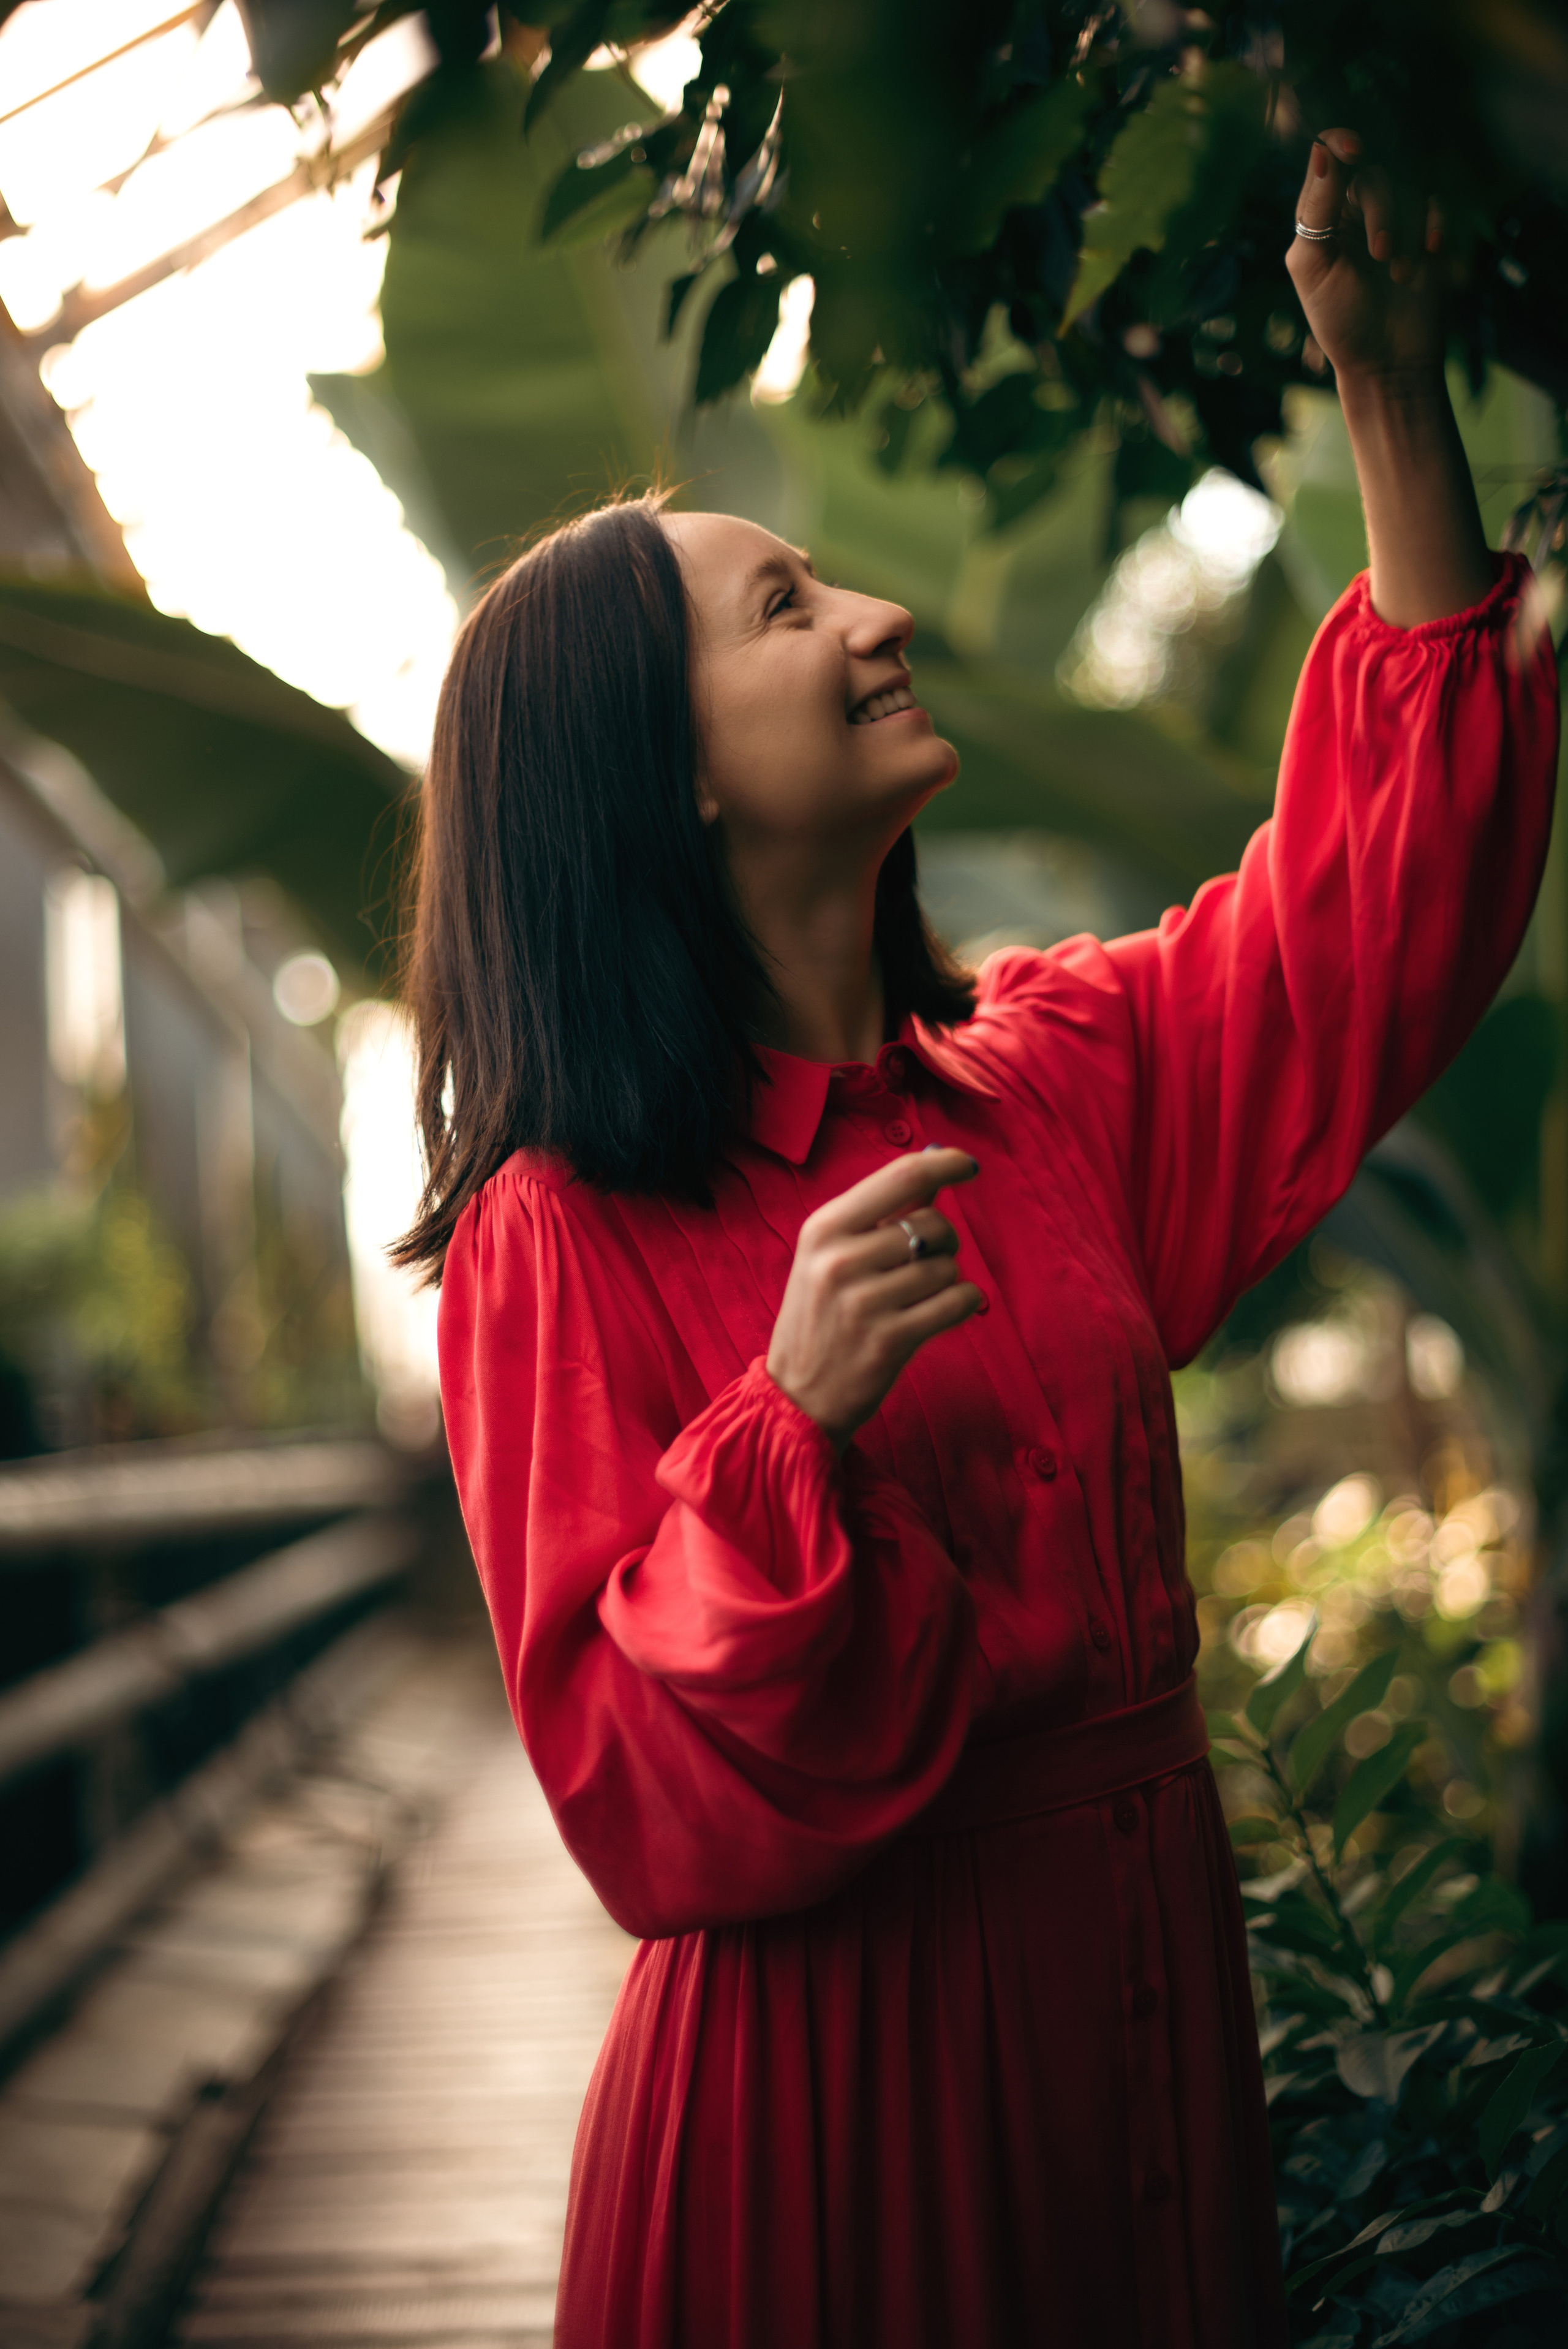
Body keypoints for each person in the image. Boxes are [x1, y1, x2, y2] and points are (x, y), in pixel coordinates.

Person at [399, 130, 1559, 2349]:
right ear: (675, 782)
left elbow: (1365, 929)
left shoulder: (1052, 1075)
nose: (878, 614)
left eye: (834, 577)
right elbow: (641, 1809)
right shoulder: (564, 1232)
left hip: (1141, 2026)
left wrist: (1390, 391)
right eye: (785, 608)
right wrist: (788, 1424)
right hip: (839, 2115)